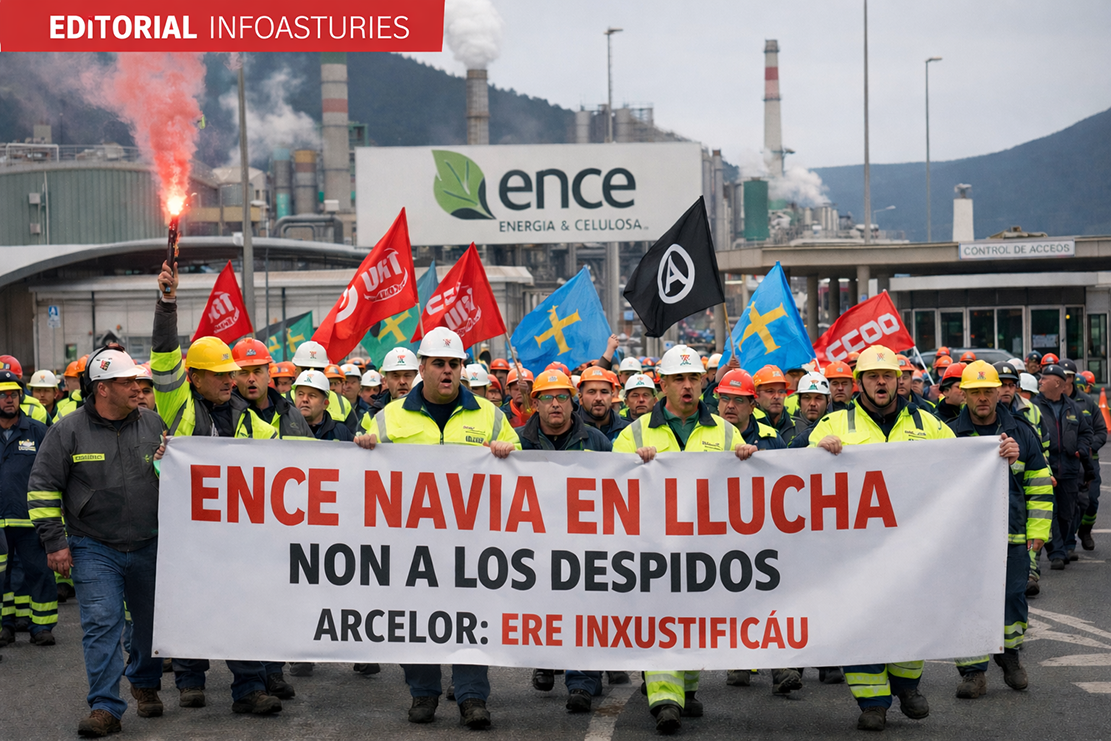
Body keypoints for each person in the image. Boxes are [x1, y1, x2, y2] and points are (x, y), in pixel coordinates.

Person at [356, 326, 520, 729]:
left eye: (454, 364)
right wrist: (363, 450)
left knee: (471, 619)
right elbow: (358, 475)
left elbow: (521, 467)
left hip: (473, 542)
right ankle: (423, 694)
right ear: (422, 367)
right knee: (415, 620)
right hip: (411, 544)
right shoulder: (387, 417)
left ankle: (471, 698)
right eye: (439, 364)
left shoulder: (491, 416)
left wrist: (508, 451)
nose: (448, 371)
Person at [151, 260, 284, 715]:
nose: (231, 380)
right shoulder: (175, 403)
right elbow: (165, 355)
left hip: (234, 535)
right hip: (185, 531)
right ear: (194, 378)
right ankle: (190, 681)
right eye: (221, 375)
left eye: (233, 374)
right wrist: (167, 303)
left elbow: (298, 458)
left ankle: (248, 688)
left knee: (242, 605)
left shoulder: (250, 420)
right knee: (189, 604)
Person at [613, 345, 759, 734]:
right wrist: (632, 465)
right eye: (679, 378)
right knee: (661, 618)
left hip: (704, 549)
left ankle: (687, 691)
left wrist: (747, 458)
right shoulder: (635, 434)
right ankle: (664, 699)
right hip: (653, 548)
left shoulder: (726, 432)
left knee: (694, 621)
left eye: (694, 377)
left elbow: (746, 489)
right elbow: (610, 488)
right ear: (663, 384)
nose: (688, 385)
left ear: (703, 382)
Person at [809, 344, 955, 732]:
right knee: (859, 622)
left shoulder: (930, 424)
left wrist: (999, 453)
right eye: (872, 376)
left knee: (911, 617)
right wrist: (817, 452)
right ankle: (872, 701)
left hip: (915, 547)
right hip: (855, 552)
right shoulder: (833, 425)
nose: (880, 382)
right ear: (860, 383)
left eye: (887, 375)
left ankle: (907, 687)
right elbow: (799, 473)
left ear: (899, 380)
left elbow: (963, 464)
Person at [27, 348, 166, 736]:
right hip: (93, 546)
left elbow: (174, 475)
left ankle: (145, 683)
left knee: (149, 625)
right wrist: (55, 542)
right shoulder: (67, 430)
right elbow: (42, 486)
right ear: (103, 389)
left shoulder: (154, 423)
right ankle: (105, 706)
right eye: (127, 382)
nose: (138, 388)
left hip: (148, 543)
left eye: (138, 381)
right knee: (102, 623)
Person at [947, 361, 1052, 700]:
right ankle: (973, 672)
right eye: (975, 392)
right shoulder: (948, 434)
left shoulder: (1021, 432)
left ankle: (1009, 655)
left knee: (1012, 599)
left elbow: (1039, 484)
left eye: (988, 392)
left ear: (999, 393)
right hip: (965, 541)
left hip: (1013, 535)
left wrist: (1038, 532)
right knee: (968, 602)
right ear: (963, 394)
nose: (982, 399)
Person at [515, 370, 613, 712]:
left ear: (573, 402)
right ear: (533, 403)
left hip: (583, 545)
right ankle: (545, 659)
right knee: (543, 609)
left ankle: (582, 682)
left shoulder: (597, 441)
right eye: (546, 397)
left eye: (561, 397)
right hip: (532, 546)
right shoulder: (517, 442)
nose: (554, 404)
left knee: (583, 610)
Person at [0, 369, 55, 649]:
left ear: (21, 397)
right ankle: (5, 626)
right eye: (3, 395)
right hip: (0, 521)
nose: (9, 400)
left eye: (14, 394)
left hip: (30, 518)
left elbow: (52, 472)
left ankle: (41, 626)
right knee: (4, 576)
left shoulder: (37, 430)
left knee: (39, 572)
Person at [1033, 364, 1093, 570]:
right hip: (1045, 469)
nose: (1040, 381)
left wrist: (1082, 449)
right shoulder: (1034, 407)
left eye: (1044, 378)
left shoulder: (1073, 408)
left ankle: (1063, 545)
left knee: (1068, 513)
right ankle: (1056, 552)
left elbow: (1086, 433)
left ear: (1057, 383)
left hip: (1069, 469)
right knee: (1052, 512)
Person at [1061, 359, 1106, 554]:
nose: (1065, 380)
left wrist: (1087, 448)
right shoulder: (1049, 403)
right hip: (1065, 462)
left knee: (1091, 500)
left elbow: (1101, 431)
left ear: (1073, 377)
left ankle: (1085, 531)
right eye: (1062, 377)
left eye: (1069, 376)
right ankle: (1067, 542)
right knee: (1070, 503)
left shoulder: (1087, 402)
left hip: (1088, 462)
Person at [232, 338, 312, 440]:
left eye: (257, 372)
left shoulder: (291, 414)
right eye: (244, 373)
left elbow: (310, 452)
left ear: (269, 376)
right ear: (234, 378)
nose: (251, 379)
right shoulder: (228, 415)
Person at [289, 342, 357, 434]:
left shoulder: (343, 403)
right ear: (295, 372)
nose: (311, 374)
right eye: (306, 369)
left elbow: (352, 442)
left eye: (317, 370)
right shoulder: (281, 401)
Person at [359, 347, 419, 428]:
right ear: (385, 380)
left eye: (407, 375)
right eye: (395, 376)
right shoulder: (372, 416)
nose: (402, 381)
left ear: (417, 377)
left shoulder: (429, 410)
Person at [293, 370, 355, 441]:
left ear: (325, 404)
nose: (305, 399)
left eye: (312, 395)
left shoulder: (340, 432)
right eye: (300, 394)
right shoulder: (284, 427)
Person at [577, 366, 629, 441]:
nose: (598, 398)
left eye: (604, 392)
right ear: (580, 398)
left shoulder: (627, 430)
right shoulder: (568, 431)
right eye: (591, 392)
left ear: (612, 396)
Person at [786, 371, 831, 449]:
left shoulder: (835, 426)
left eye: (818, 398)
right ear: (798, 401)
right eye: (807, 398)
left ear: (828, 401)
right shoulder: (786, 429)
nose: (812, 403)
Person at [752, 365, 796, 442]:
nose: (777, 396)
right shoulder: (747, 427)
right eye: (770, 391)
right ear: (756, 395)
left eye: (781, 391)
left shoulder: (797, 426)